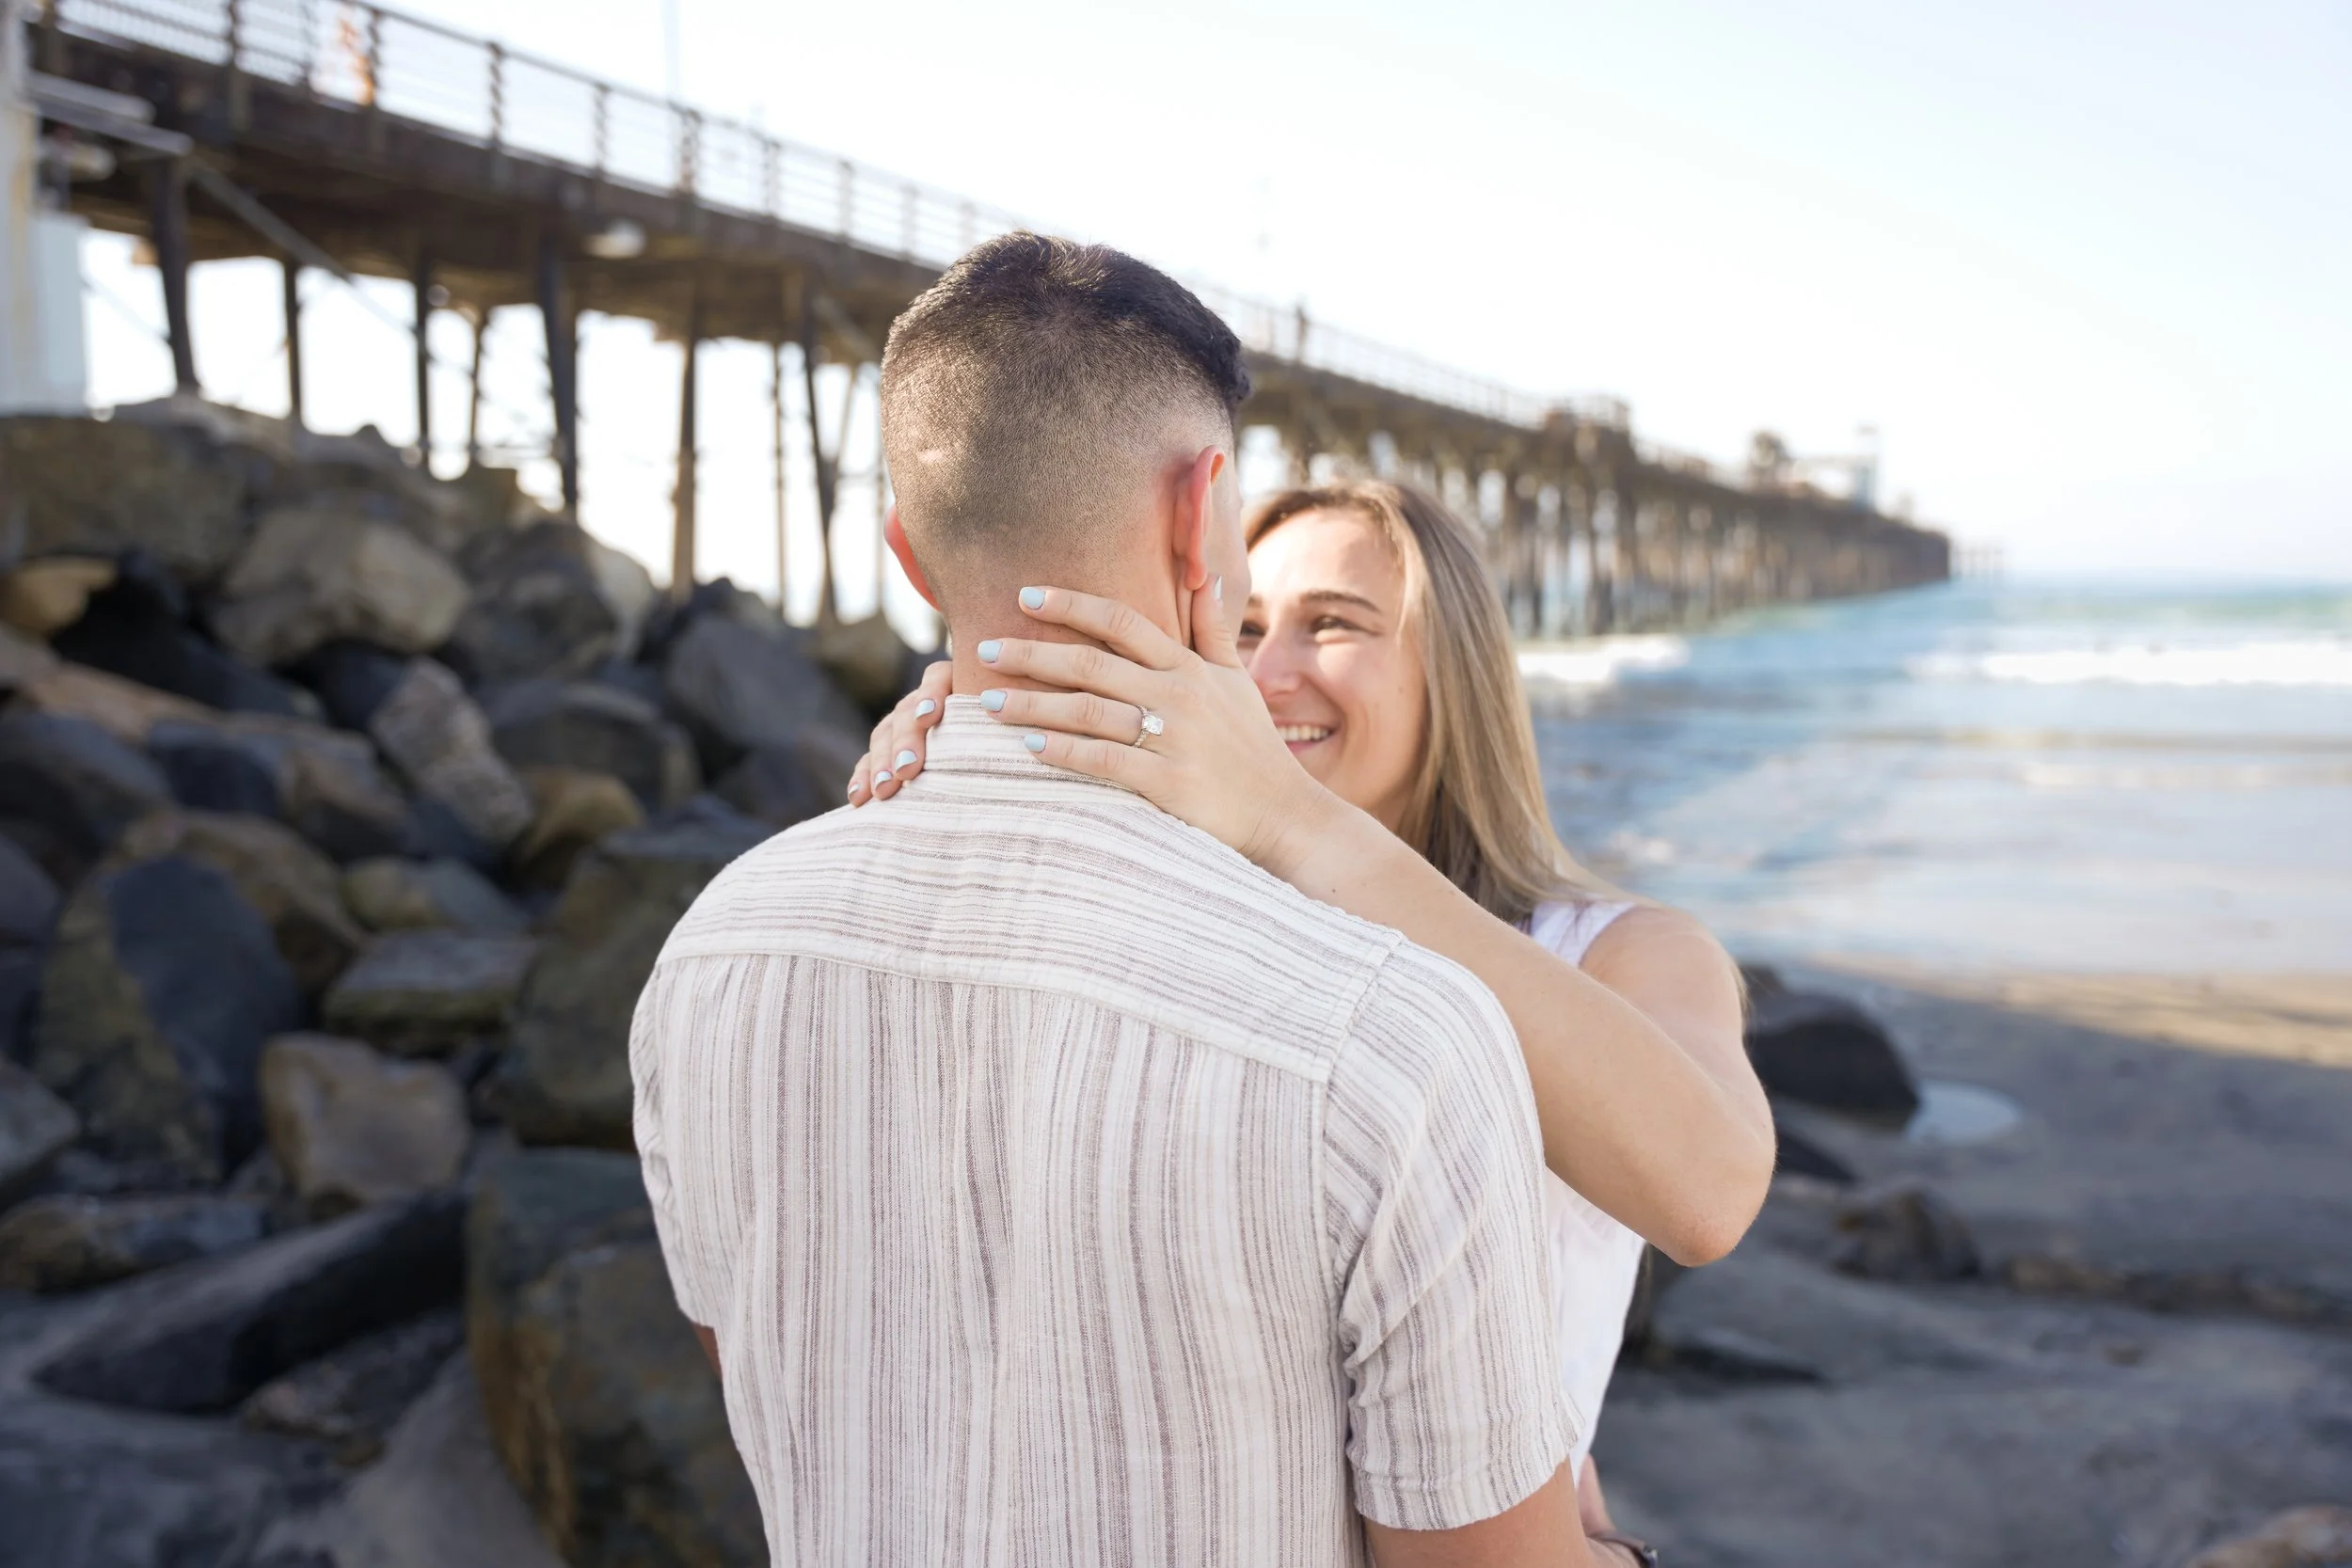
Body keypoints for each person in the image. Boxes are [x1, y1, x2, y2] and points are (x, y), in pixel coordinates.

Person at [631, 232, 1646, 1566]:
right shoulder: (1388, 1037)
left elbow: (767, 1381)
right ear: (1200, 513)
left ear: (911, 556)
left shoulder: (712, 954)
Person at [855, 478, 1772, 1533]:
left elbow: (1705, 1194)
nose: (1269, 669)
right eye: (1243, 627)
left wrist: (1292, 819)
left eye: (1332, 624)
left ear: (1455, 672)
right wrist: (962, 755)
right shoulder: (1182, 921)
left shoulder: (1618, 951)